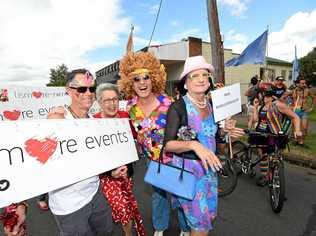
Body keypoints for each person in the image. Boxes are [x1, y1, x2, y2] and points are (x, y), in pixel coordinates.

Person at [3, 69, 113, 236]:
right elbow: (31, 160)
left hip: (96, 195)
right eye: (82, 89)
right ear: (68, 90)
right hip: (70, 207)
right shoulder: (58, 119)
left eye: (92, 88)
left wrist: (113, 169)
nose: (89, 93)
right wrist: (18, 206)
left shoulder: (93, 121)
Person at [163, 56, 243, 236]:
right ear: (185, 83)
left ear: (209, 81)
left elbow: (214, 137)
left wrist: (225, 132)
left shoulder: (212, 105)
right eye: (195, 75)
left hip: (209, 171)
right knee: (201, 226)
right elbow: (168, 145)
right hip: (188, 172)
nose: (201, 79)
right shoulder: (177, 107)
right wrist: (193, 145)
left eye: (205, 75)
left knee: (209, 217)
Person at [118, 51, 190, 236]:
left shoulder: (168, 103)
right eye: (137, 79)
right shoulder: (129, 108)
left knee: (179, 195)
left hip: (174, 158)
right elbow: (110, 118)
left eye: (146, 77)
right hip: (152, 160)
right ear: (130, 83)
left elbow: (184, 128)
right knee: (158, 195)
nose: (142, 82)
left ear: (153, 79)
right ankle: (160, 227)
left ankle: (185, 227)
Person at [94, 83, 145, 236]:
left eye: (115, 99)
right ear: (99, 103)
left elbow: (136, 137)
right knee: (123, 209)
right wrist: (110, 171)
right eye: (107, 100)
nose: (112, 104)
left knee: (127, 204)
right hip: (107, 176)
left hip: (127, 172)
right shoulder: (92, 122)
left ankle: (126, 223)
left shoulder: (125, 116)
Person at [252, 89, 302, 186]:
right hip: (261, 134)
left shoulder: (278, 105)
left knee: (274, 158)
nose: (264, 98)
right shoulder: (262, 106)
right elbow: (255, 120)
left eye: (266, 96)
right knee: (262, 155)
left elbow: (295, 117)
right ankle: (264, 176)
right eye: (263, 96)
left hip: (274, 134)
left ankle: (275, 179)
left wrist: (297, 130)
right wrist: (255, 108)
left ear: (272, 97)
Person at [292, 77, 315, 146]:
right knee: (295, 127)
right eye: (302, 83)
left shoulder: (307, 90)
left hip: (304, 110)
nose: (304, 84)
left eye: (304, 83)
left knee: (304, 127)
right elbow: (288, 98)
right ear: (298, 83)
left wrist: (311, 107)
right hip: (296, 110)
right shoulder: (294, 90)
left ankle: (301, 142)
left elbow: (314, 97)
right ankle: (296, 140)